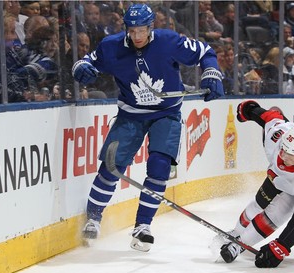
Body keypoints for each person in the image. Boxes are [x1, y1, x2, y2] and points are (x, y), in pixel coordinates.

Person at [72, 3, 224, 252]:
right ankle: (94, 218)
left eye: (141, 31)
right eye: (132, 31)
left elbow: (205, 51)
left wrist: (212, 72)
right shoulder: (111, 46)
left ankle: (143, 226)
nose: (137, 37)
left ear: (151, 27)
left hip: (167, 114)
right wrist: (82, 70)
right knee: (111, 168)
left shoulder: (168, 41)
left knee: (159, 167)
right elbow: (84, 63)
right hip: (130, 115)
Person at [211, 100, 294, 268]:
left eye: (291, 155)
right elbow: (270, 117)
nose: (285, 157)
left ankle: (239, 244)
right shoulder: (279, 136)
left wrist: (281, 246)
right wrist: (250, 110)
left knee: (278, 213)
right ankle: (236, 232)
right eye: (284, 149)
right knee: (260, 201)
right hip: (283, 176)